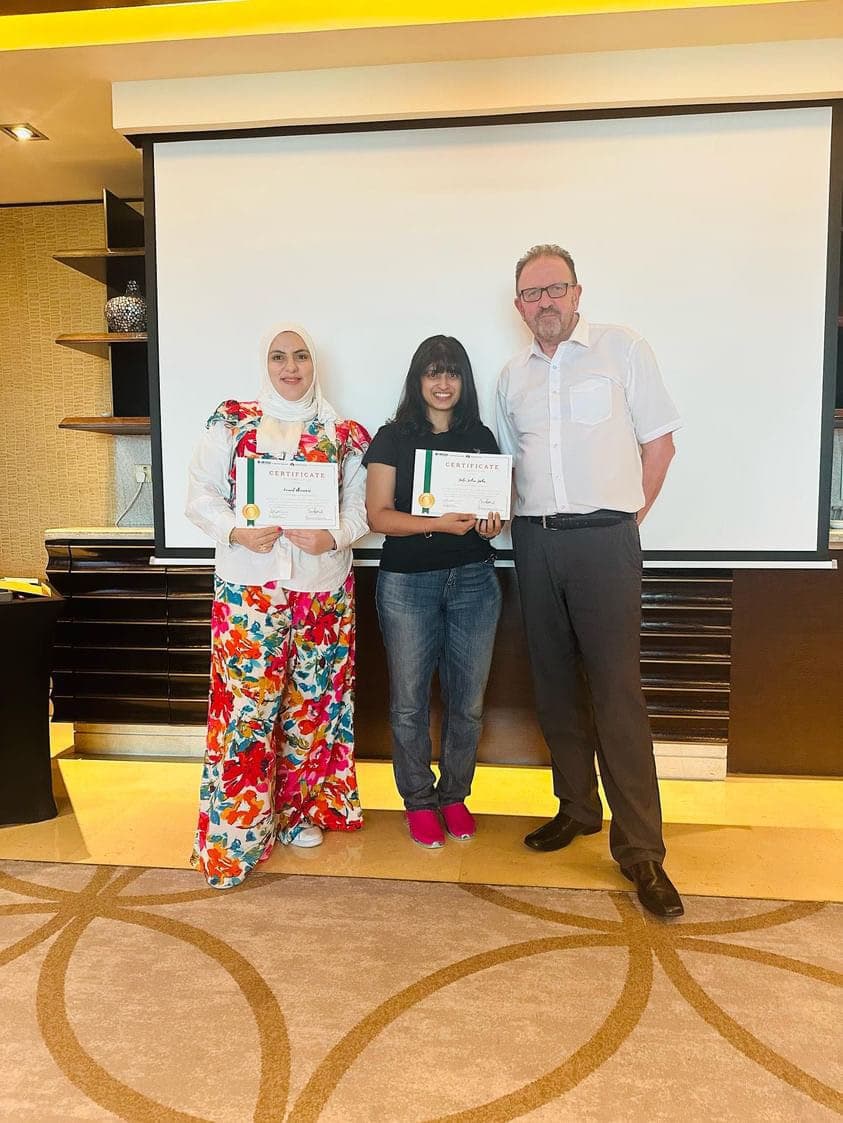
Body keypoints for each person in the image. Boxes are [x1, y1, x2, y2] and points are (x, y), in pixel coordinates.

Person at [495, 245, 684, 919]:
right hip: (533, 540)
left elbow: (658, 441)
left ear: (576, 292)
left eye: (554, 289)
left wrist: (629, 517)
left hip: (604, 541)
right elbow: (506, 467)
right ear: (518, 307)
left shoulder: (620, 348)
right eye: (530, 294)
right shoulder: (509, 375)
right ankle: (576, 807)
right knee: (553, 682)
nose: (544, 302)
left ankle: (641, 851)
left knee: (615, 691)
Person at [185, 324, 370, 889]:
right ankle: (237, 832)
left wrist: (333, 537)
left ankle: (295, 814)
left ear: (315, 363)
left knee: (311, 707)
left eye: (301, 356)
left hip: (322, 589)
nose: (290, 367)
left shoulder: (345, 433)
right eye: (278, 357)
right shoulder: (232, 421)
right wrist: (238, 531)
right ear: (265, 363)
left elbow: (361, 509)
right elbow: (200, 495)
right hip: (249, 588)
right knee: (246, 711)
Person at [364, 335, 502, 848]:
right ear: (417, 379)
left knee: (468, 702)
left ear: (463, 382)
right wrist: (439, 524)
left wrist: (489, 526)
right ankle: (418, 800)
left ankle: (455, 795)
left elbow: (495, 516)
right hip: (407, 585)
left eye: (452, 373)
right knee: (408, 703)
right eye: (432, 372)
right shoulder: (392, 436)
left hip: (474, 581)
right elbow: (377, 515)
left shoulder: (481, 437)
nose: (443, 384)